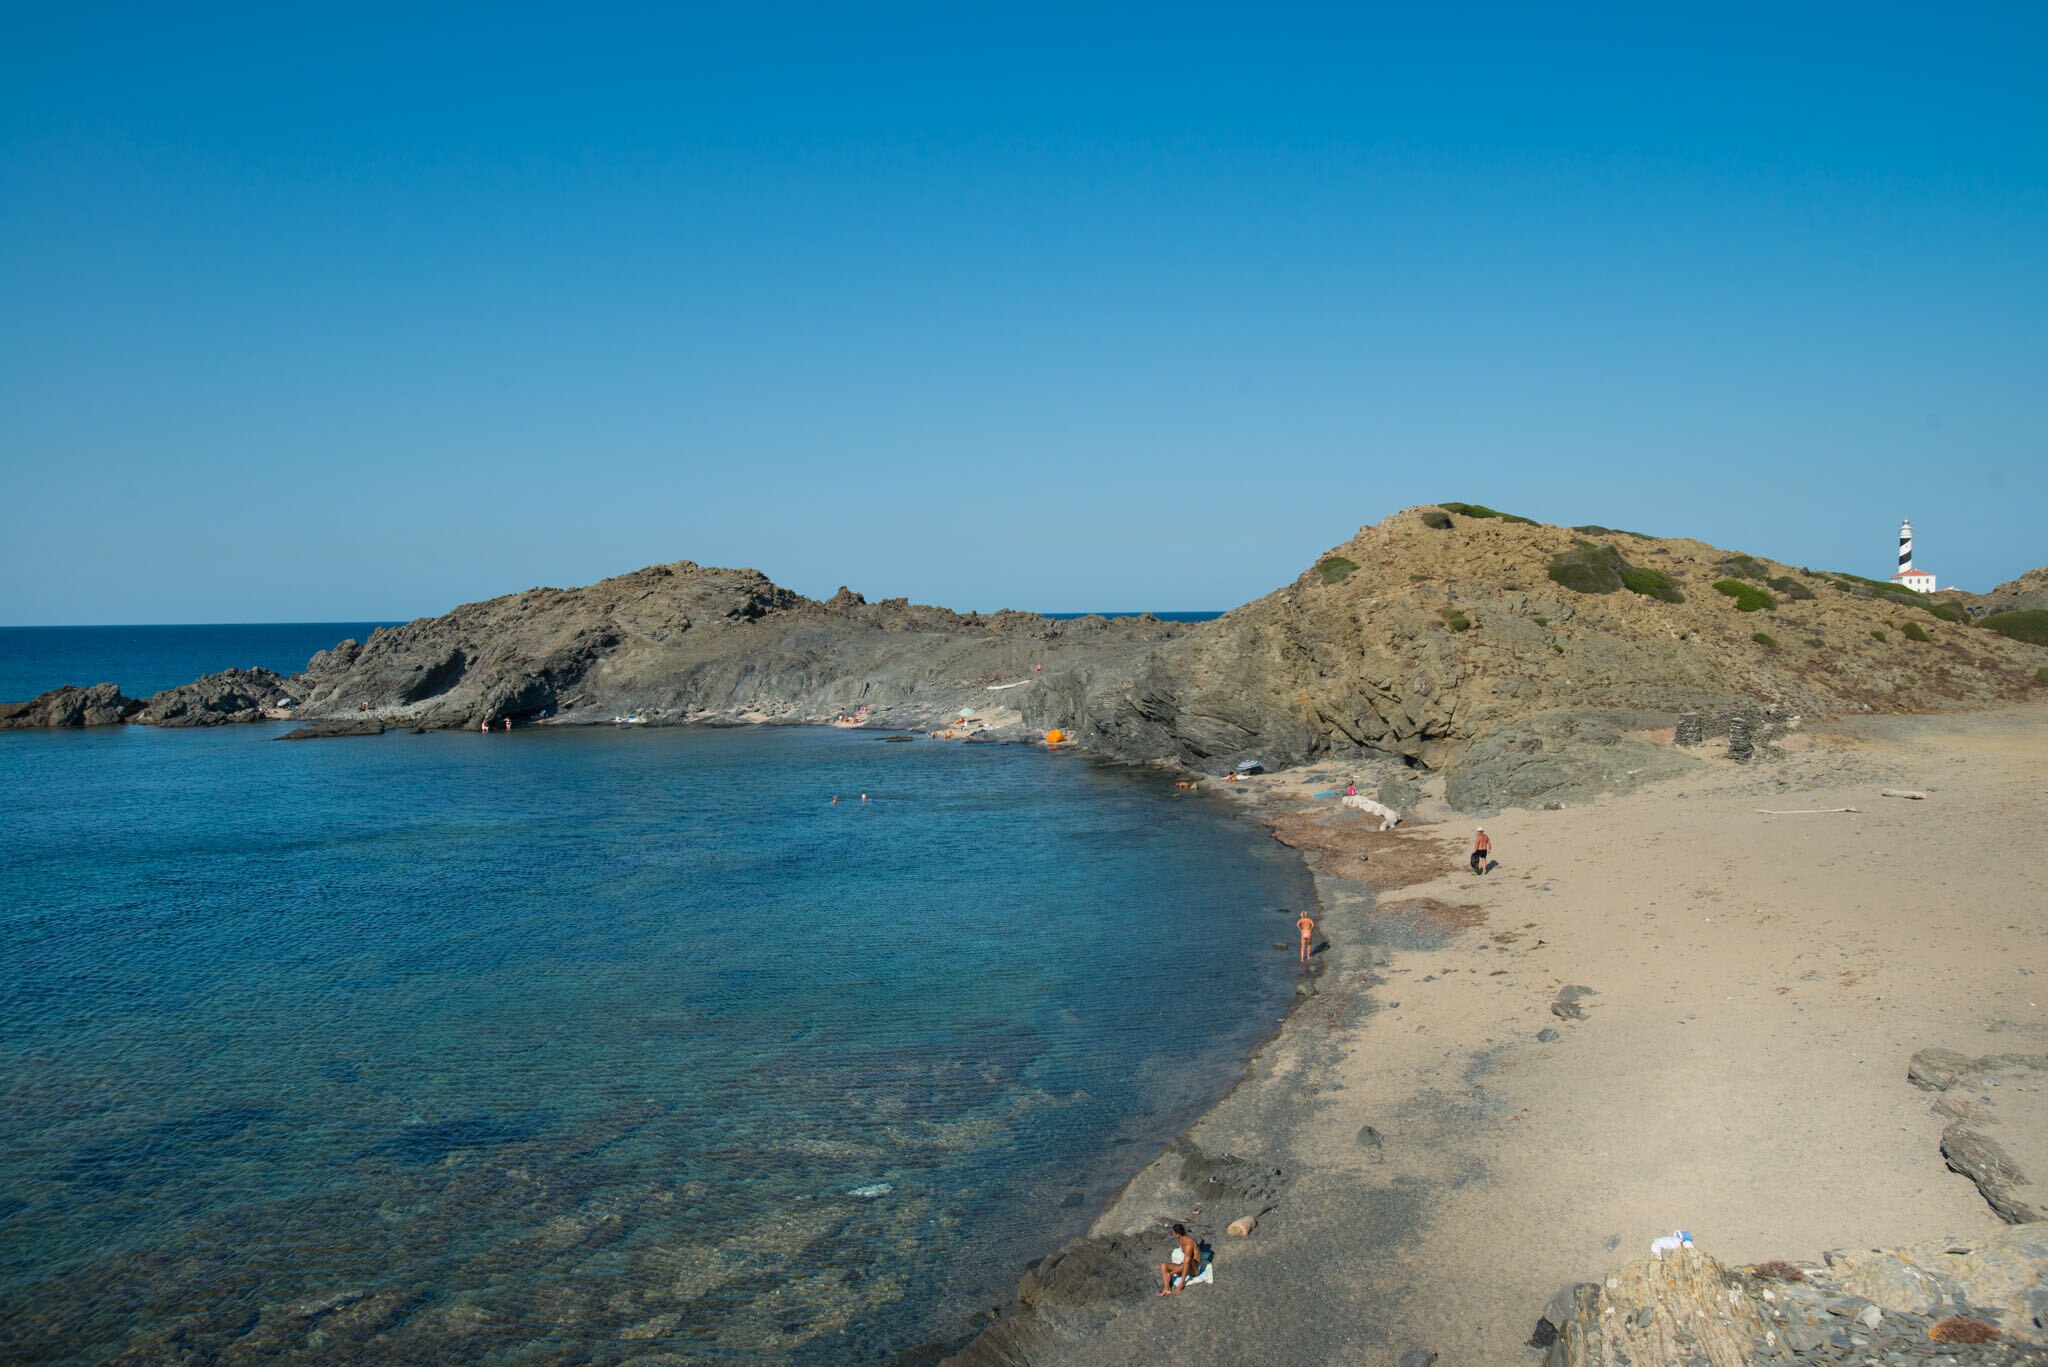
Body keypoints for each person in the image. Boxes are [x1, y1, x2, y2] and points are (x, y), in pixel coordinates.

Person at [1158, 1222, 1202, 1295]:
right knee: (1163, 1265)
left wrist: (1172, 1273)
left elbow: (1187, 1262)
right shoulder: (1181, 1238)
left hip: (1195, 1269)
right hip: (1186, 1266)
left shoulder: (1189, 1243)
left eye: (1173, 1232)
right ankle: (1166, 1289)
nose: (1172, 1234)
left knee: (1187, 1259)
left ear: (1177, 1234)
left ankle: (1181, 1285)